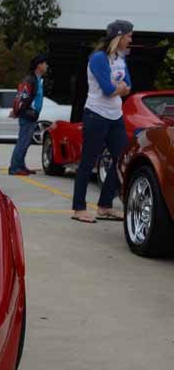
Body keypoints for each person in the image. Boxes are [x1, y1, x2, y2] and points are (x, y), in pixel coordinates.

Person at [71, 20, 134, 223]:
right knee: (88, 162)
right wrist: (119, 87)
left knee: (123, 160)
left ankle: (105, 206)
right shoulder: (98, 58)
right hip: (96, 115)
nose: (130, 40)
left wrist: (119, 88)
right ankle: (78, 208)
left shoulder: (120, 57)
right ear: (119, 37)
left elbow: (129, 87)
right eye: (128, 36)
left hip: (116, 116)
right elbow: (108, 90)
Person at [9, 53, 48, 176]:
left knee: (26, 142)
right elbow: (21, 97)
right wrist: (16, 111)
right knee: (23, 142)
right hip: (27, 115)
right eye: (45, 63)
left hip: (32, 116)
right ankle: (15, 168)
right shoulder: (30, 80)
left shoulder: (38, 80)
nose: (47, 66)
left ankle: (21, 166)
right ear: (39, 65)